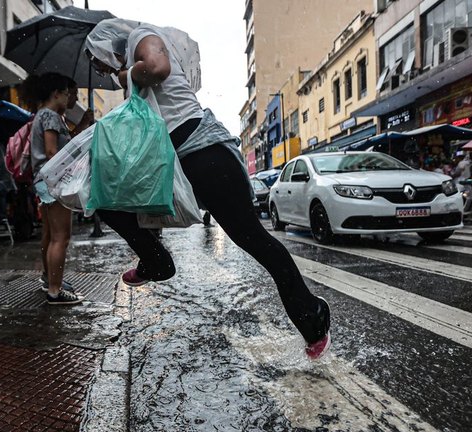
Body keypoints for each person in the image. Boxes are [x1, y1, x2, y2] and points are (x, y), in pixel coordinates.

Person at [84, 19, 330, 359]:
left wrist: (125, 77)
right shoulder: (131, 67)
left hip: (206, 155)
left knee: (252, 239)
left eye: (98, 61)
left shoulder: (141, 38)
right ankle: (156, 261)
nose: (101, 70)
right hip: (177, 162)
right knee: (105, 199)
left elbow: (157, 67)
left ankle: (312, 316)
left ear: (105, 46)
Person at [23, 72, 83, 305]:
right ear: (56, 94)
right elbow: (51, 152)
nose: (69, 98)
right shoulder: (51, 116)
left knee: (49, 235)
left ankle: (50, 281)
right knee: (61, 237)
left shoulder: (42, 115)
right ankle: (55, 292)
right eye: (66, 94)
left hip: (44, 181)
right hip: (54, 181)